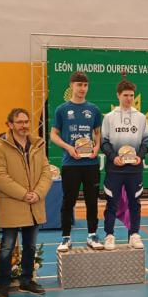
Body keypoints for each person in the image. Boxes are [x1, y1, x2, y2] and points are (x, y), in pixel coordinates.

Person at [0, 108, 52, 297]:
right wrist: (25, 194)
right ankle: (4, 285)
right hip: (13, 205)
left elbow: (46, 172)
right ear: (9, 124)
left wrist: (38, 193)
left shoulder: (38, 145)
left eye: (26, 121)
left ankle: (26, 281)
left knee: (30, 246)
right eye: (19, 122)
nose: (24, 125)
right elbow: (0, 177)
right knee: (7, 247)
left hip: (34, 205)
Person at [50, 71, 103, 252]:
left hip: (91, 164)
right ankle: (66, 238)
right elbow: (53, 135)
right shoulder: (62, 110)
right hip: (70, 164)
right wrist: (68, 147)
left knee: (92, 201)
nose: (82, 89)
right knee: (68, 201)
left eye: (85, 85)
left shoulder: (94, 109)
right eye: (79, 85)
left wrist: (96, 148)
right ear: (71, 86)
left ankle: (92, 235)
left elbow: (97, 133)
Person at [101, 80, 148, 250]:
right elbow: (104, 142)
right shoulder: (109, 117)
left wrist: (140, 157)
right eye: (125, 95)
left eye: (131, 95)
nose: (129, 99)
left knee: (134, 203)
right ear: (118, 95)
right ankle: (109, 235)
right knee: (112, 203)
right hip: (115, 169)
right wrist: (113, 157)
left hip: (134, 169)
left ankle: (134, 234)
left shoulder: (141, 117)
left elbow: (145, 142)